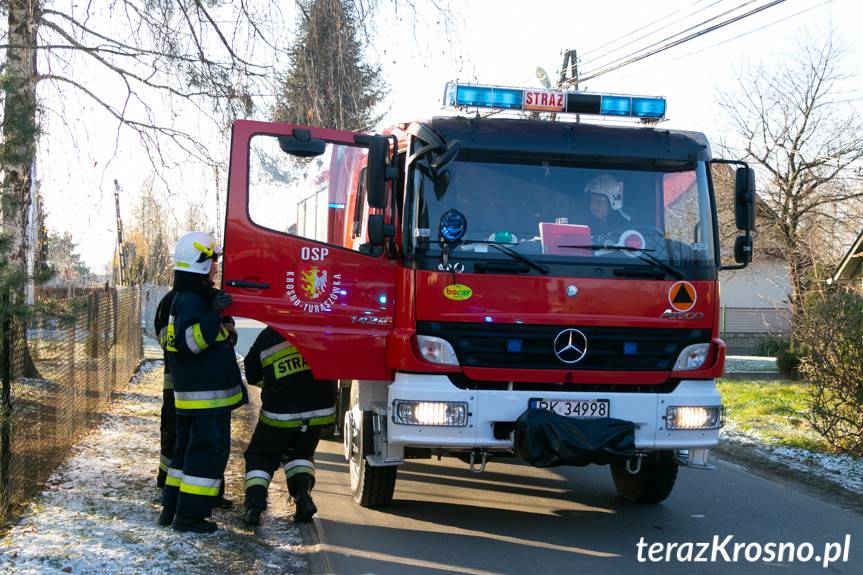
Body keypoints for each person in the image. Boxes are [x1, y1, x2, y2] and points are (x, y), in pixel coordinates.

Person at [158, 231, 247, 534]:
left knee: (184, 454)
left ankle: (171, 509)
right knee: (207, 453)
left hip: (196, 396)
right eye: (213, 261)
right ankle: (190, 517)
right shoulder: (193, 302)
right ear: (201, 263)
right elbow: (189, 343)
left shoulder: (189, 297)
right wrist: (214, 315)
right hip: (206, 397)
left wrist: (216, 314)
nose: (216, 267)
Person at [240, 327, 337, 526]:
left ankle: (254, 507)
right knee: (300, 456)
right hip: (318, 412)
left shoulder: (269, 335)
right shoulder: (325, 329)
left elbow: (252, 375)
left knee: (260, 456)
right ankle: (303, 498)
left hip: (280, 414)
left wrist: (274, 385)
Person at [154, 288, 234, 509]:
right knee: (175, 439)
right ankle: (167, 484)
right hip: (177, 384)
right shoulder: (172, 301)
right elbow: (170, 341)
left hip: (203, 386)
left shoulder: (211, 297)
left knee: (205, 446)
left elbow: (229, 332)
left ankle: (210, 493)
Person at [585, 174, 632, 242]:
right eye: (591, 201)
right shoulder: (585, 222)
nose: (593, 206)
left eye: (599, 202)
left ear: (612, 202)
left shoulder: (625, 227)